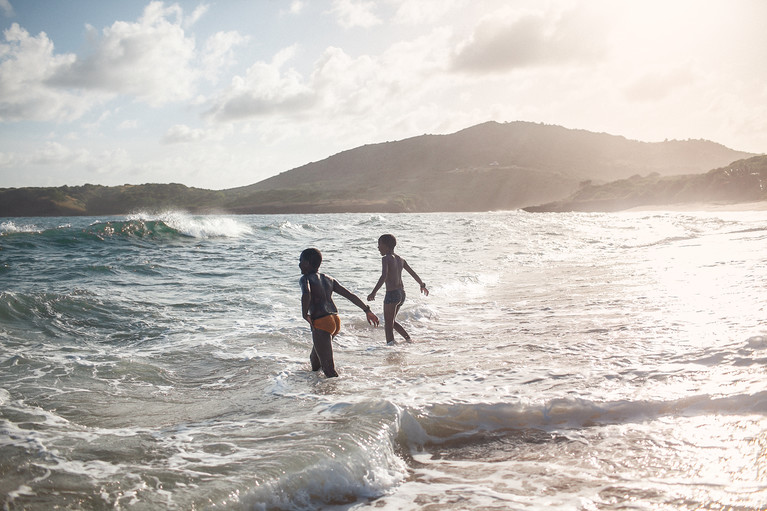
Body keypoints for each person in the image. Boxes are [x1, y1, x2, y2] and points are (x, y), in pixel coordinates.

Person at [299, 248, 379, 377]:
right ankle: (316, 389)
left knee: (328, 369)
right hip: (334, 320)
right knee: (315, 360)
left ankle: (338, 394)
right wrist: (366, 310)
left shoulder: (305, 279)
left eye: (301, 260)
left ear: (307, 263)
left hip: (321, 322)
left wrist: (304, 314)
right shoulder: (328, 279)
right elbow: (350, 295)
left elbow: (306, 294)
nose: (299, 264)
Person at [367, 234, 428, 345]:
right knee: (392, 321)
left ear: (386, 246)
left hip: (391, 294)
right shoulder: (401, 259)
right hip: (401, 294)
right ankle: (408, 340)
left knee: (388, 324)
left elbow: (383, 276)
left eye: (379, 245)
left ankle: (390, 346)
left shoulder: (386, 259)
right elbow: (412, 273)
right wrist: (422, 284)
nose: (378, 247)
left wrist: (373, 292)